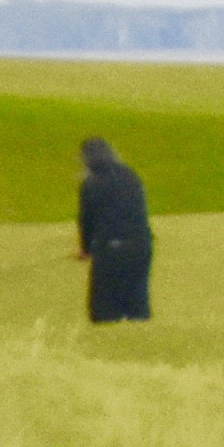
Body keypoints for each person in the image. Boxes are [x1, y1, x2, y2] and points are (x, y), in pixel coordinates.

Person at [73, 137, 154, 324]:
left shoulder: (91, 183)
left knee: (104, 309)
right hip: (141, 245)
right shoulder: (130, 175)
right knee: (137, 302)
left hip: (111, 249)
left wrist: (85, 250)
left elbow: (86, 221)